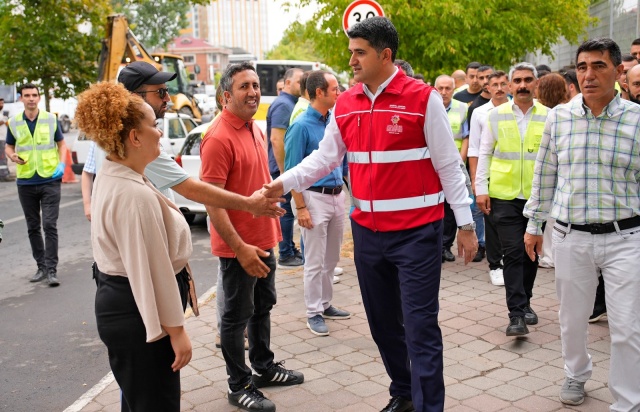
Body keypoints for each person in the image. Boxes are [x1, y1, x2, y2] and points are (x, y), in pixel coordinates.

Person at [264, 17, 477, 412]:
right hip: (368, 236)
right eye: (351, 52)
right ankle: (403, 393)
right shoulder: (345, 103)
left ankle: (429, 406)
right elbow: (323, 158)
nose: (352, 60)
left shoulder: (422, 99)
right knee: (382, 326)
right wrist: (281, 183)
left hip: (417, 235)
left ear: (385, 54)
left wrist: (465, 224)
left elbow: (449, 165)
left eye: (359, 52)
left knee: (420, 328)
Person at [524, 38, 640, 410]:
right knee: (572, 320)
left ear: (619, 71)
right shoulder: (559, 118)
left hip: (627, 238)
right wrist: (533, 223)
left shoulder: (636, 121)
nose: (588, 75)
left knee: (627, 328)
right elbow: (545, 173)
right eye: (582, 66)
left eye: (599, 66)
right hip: (571, 237)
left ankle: (627, 401)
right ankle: (576, 373)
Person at [76, 81, 193, 411]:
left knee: (141, 401)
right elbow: (151, 274)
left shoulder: (117, 173)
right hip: (138, 313)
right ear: (135, 138)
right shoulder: (133, 195)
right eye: (153, 125)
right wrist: (177, 332)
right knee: (156, 403)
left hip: (126, 309)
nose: (159, 133)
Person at [201, 62, 304, 412]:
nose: (253, 92)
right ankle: (238, 384)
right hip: (238, 247)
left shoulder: (254, 127)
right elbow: (212, 203)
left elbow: (254, 183)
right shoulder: (217, 137)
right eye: (244, 86)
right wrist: (239, 247)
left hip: (263, 238)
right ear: (226, 95)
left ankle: (263, 367)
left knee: (263, 306)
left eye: (256, 85)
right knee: (235, 317)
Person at [80, 61, 284, 222]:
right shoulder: (137, 142)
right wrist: (249, 204)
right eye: (160, 92)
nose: (168, 98)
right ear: (134, 97)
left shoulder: (106, 134)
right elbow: (191, 189)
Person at [476, 62, 548, 337]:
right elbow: (485, 153)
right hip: (504, 195)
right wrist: (481, 188)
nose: (522, 85)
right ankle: (516, 315)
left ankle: (526, 301)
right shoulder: (496, 115)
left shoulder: (549, 116)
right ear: (508, 85)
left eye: (528, 80)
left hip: (536, 196)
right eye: (517, 80)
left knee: (532, 253)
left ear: (536, 84)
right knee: (514, 253)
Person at [284, 70, 350, 337]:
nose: (339, 93)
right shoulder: (300, 126)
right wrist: (300, 207)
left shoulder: (335, 121)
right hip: (313, 198)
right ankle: (313, 312)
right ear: (319, 92)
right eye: (335, 89)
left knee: (332, 257)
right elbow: (291, 170)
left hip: (336, 197)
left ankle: (325, 303)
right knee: (314, 260)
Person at [5, 83, 68, 286]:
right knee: (33, 226)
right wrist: (12, 155)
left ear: (39, 98)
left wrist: (61, 164)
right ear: (21, 98)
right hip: (26, 181)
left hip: (50, 179)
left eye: (34, 95)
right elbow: (9, 146)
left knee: (49, 225)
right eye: (27, 95)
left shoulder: (50, 119)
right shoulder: (13, 122)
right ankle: (40, 267)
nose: (31, 98)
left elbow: (62, 144)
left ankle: (52, 270)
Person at [468, 71, 510, 286]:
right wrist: (476, 180)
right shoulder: (480, 112)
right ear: (488, 87)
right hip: (490, 175)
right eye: (495, 84)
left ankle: (511, 262)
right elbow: (474, 148)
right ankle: (495, 265)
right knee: (491, 221)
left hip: (514, 176)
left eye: (504, 83)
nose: (500, 88)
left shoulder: (518, 109)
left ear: (509, 86)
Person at [434, 75, 474, 264]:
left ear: (453, 89)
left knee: (452, 208)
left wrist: (460, 159)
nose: (443, 92)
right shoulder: (430, 106)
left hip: (455, 164)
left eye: (447, 88)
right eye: (440, 88)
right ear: (435, 88)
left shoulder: (462, 108)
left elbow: (466, 136)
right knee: (436, 206)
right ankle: (435, 246)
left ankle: (445, 246)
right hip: (433, 166)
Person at [267, 67, 304, 268]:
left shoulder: (290, 103)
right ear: (288, 82)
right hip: (282, 168)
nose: (302, 85)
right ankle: (286, 254)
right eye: (299, 82)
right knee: (286, 211)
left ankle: (289, 248)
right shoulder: (283, 104)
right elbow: (276, 139)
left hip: (285, 168)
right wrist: (284, 172)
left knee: (288, 210)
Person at [534, 73, 570, 270]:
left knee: (547, 215)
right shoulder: (566, 111)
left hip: (544, 167)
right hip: (563, 168)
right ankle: (555, 254)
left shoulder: (542, 113)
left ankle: (548, 256)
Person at [0, 97, 12, 182]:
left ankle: (5, 172)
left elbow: (7, 124)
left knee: (3, 157)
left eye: (3, 103)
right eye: (0, 103)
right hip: (0, 139)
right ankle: (3, 175)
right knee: (2, 157)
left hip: (3, 137)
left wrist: (6, 120)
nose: (2, 105)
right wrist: (4, 120)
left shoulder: (2, 114)